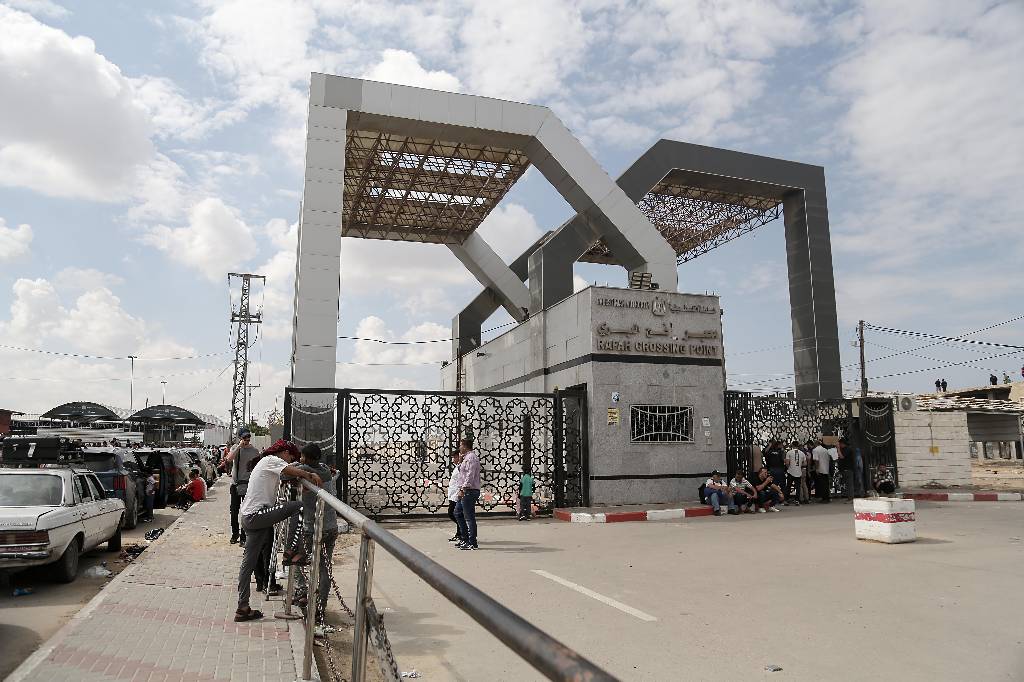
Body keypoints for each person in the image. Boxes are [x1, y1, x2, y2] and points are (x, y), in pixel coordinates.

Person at [235, 441, 321, 622]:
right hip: (256, 515)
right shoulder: (271, 459)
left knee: (247, 564)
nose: (290, 461)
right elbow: (291, 471)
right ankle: (291, 551)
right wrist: (309, 475)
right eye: (291, 457)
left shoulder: (267, 463)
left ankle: (242, 607)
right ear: (284, 452)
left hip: (249, 517)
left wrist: (299, 478)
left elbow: (287, 475)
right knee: (298, 507)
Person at [289, 443, 340, 621]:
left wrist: (299, 467)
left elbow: (284, 472)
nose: (300, 458)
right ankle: (320, 607)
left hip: (312, 527)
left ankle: (302, 592)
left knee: (296, 557)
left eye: (302, 456)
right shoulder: (325, 469)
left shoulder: (305, 469)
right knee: (324, 569)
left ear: (309, 459)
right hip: (331, 526)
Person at [221, 428, 260, 544]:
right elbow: (229, 459)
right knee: (234, 511)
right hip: (235, 484)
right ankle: (235, 534)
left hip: (248, 485)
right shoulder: (235, 448)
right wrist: (239, 447)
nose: (247, 440)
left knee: (246, 512)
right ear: (240, 438)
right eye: (244, 438)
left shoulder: (254, 451)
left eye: (248, 437)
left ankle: (244, 536)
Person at [453, 438, 481, 550]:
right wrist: (460, 461)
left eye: (460, 445)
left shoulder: (471, 458)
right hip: (465, 490)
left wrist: (463, 489)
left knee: (469, 517)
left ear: (465, 446)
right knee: (457, 512)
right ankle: (464, 538)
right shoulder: (465, 458)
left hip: (469, 491)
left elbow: (470, 475)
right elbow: (461, 471)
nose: (459, 447)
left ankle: (472, 542)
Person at [445, 450, 464, 543]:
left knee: (453, 513)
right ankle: (459, 533)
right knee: (456, 514)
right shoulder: (457, 467)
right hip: (452, 494)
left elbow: (463, 480)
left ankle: (463, 530)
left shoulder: (461, 467)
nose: (453, 460)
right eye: (452, 457)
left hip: (457, 494)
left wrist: (461, 491)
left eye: (454, 457)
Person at [763, 440, 787, 504]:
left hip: (772, 470)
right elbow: (784, 460)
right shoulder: (781, 452)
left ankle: (774, 499)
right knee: (783, 485)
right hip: (780, 470)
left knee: (773, 485)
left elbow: (765, 453)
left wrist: (769, 446)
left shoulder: (770, 451)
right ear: (779, 445)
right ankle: (783, 499)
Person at [784, 441, 805, 505]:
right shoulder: (802, 453)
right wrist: (799, 466)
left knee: (788, 486)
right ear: (798, 445)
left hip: (791, 472)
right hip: (798, 472)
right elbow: (805, 463)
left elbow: (787, 463)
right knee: (798, 487)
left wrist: (789, 467)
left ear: (792, 445)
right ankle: (797, 500)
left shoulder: (789, 452)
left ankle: (786, 500)